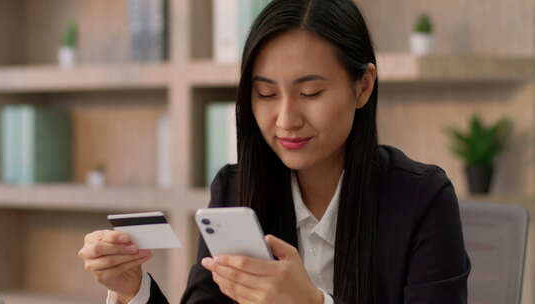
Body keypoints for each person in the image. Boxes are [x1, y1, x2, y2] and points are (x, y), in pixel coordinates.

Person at [78, 0, 471, 303]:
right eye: (266, 93)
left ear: (363, 86)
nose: (285, 119)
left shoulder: (421, 198)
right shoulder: (235, 188)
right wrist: (133, 290)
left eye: (310, 93)